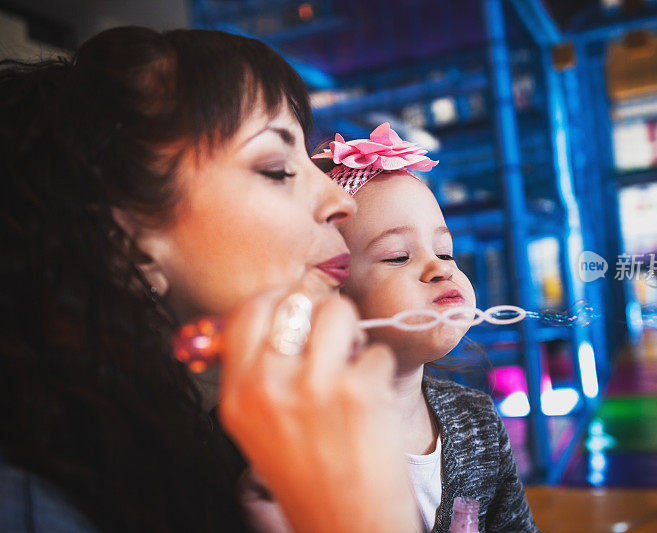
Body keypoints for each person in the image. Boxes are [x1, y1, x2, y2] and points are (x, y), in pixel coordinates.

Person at [0, 27, 419, 532]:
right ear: (124, 242)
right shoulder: (30, 503)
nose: (341, 201)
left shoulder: (195, 455)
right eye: (276, 168)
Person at [316, 124, 539, 532]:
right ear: (330, 296)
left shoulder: (478, 421)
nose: (441, 267)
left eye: (444, 250)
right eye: (398, 256)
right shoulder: (304, 442)